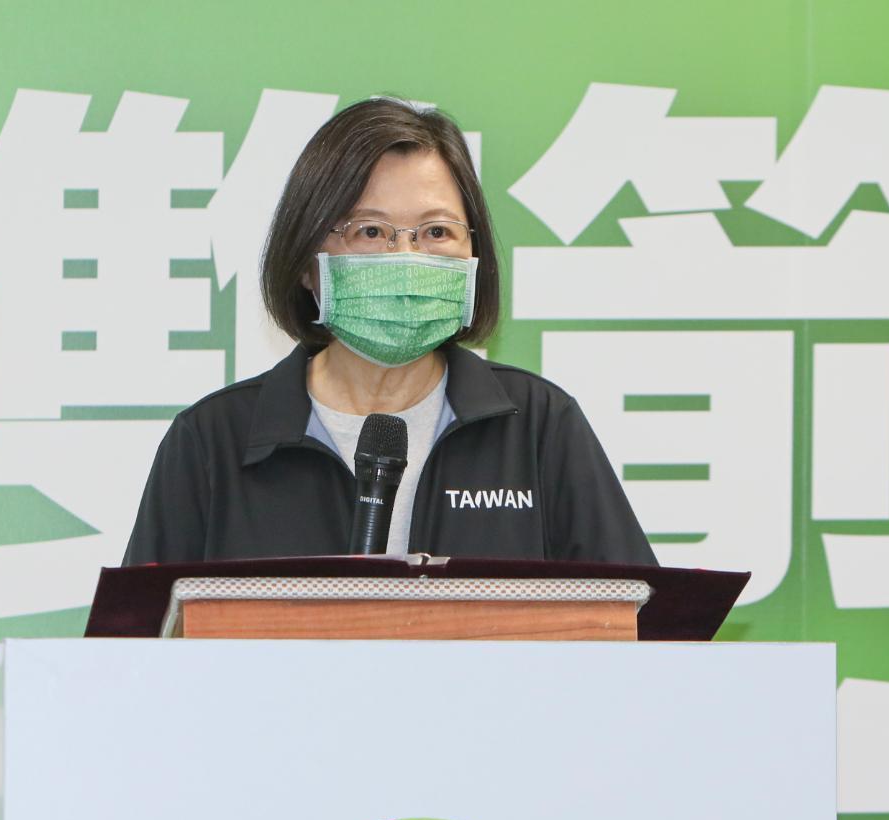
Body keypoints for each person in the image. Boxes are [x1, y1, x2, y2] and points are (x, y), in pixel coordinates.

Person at [122, 97, 655, 567]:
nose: (406, 257)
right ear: (307, 262)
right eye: (371, 231)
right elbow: (141, 641)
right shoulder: (212, 442)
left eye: (436, 231)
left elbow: (640, 625)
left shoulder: (538, 426)